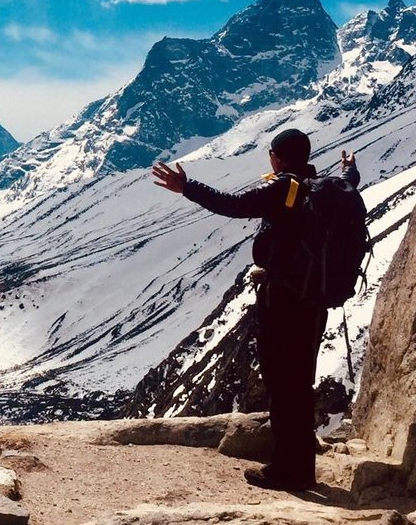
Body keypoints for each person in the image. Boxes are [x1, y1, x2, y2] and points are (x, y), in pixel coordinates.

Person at [151, 128, 360, 492]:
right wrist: (349, 169)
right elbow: (349, 181)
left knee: (283, 385)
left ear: (277, 157)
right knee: (299, 382)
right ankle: (300, 467)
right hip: (313, 300)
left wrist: (186, 187)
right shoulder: (328, 187)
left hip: (284, 299)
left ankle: (287, 471)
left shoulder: (284, 189)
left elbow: (234, 205)